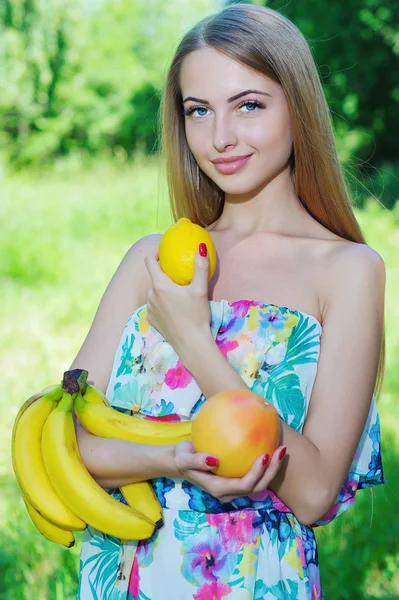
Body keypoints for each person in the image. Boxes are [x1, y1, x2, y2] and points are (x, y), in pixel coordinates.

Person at [70, 4, 386, 599]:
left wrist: (192, 339)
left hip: (255, 582)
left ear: (298, 106)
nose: (220, 138)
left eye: (248, 105)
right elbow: (74, 441)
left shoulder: (348, 270)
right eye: (198, 111)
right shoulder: (152, 260)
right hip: (124, 577)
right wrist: (174, 459)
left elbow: (315, 491)